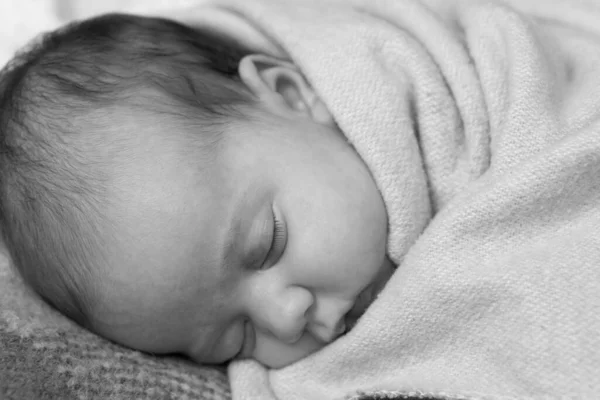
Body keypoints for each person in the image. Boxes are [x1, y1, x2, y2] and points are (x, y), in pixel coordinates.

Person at [0, 13, 395, 368]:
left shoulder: (418, 73)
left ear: (291, 97)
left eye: (269, 243)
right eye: (238, 340)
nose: (287, 319)